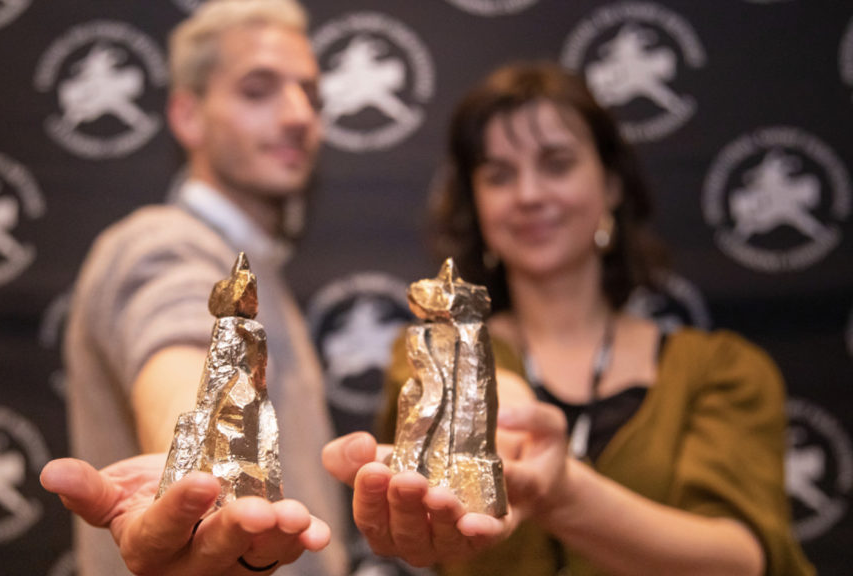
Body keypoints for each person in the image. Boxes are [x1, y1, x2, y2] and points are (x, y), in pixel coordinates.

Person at [322, 62, 816, 576]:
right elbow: (483, 389)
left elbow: (743, 558)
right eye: (499, 175)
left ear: (612, 185)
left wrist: (560, 492)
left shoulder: (720, 370)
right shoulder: (428, 348)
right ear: (477, 204)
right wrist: (505, 423)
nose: (529, 194)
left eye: (556, 164)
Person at [39, 1, 349, 575]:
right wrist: (205, 483)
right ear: (187, 116)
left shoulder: (257, 266)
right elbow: (179, 346)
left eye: (310, 93)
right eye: (258, 91)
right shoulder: (162, 243)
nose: (298, 115)